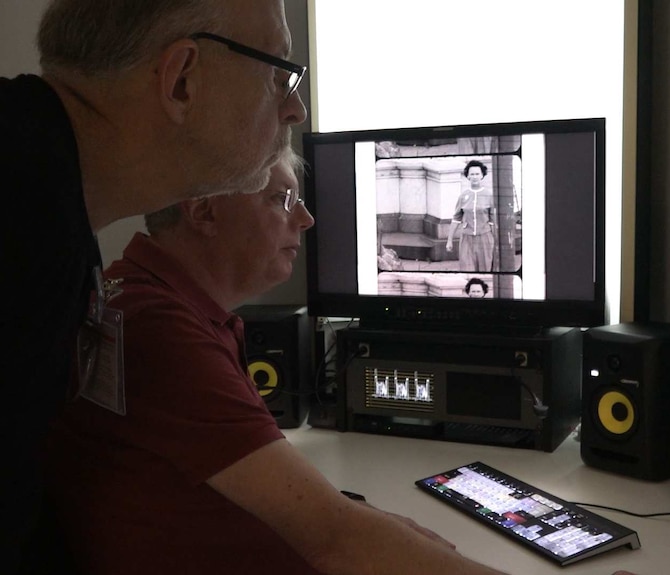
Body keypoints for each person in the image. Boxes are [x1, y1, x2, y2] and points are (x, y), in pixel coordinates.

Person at [43, 155, 508, 575]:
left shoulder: (139, 295)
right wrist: (356, 528)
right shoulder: (161, 330)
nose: (305, 219)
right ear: (204, 210)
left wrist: (359, 520)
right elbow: (337, 544)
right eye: (281, 199)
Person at [2, 1, 307, 571]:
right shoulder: (24, 218)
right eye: (276, 72)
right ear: (183, 79)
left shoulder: (55, 209)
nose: (295, 107)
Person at [446, 159, 497, 271]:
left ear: (482, 175)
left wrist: (495, 241)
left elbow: (493, 221)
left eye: (477, 174)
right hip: (466, 238)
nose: (474, 177)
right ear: (468, 176)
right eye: (472, 174)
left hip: (485, 238)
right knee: (467, 268)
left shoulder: (489, 195)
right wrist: (449, 240)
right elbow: (456, 219)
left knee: (485, 268)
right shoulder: (463, 196)